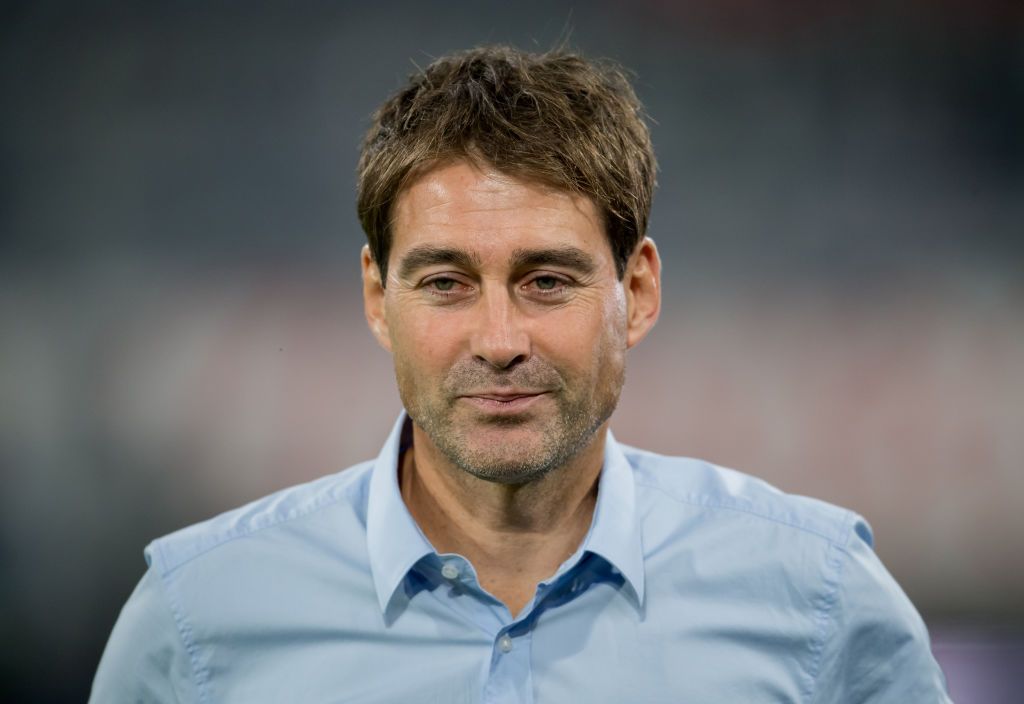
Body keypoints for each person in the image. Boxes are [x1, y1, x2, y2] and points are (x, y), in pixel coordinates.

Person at [91, 45, 951, 702]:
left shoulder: (819, 596)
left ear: (638, 290)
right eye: (444, 283)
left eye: (547, 281)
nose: (499, 339)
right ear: (376, 297)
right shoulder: (195, 618)